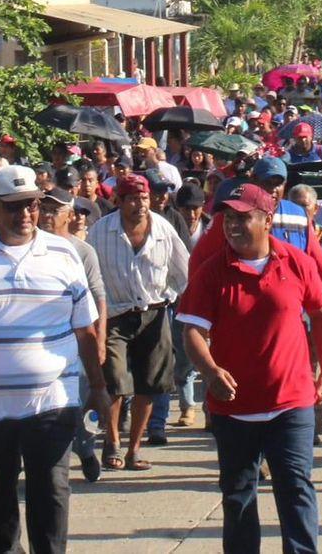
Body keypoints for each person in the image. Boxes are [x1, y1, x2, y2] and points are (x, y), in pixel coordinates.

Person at [0, 165, 108, 554]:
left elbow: (85, 330)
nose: (25, 214)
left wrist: (98, 388)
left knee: (51, 493)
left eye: (31, 204)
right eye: (13, 206)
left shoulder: (65, 253)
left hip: (52, 402)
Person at [177, 182, 322, 554]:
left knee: (296, 490)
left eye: (242, 217)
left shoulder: (296, 262)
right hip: (234, 410)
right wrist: (211, 371)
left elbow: (320, 313)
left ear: (267, 218)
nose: (232, 225)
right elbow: (192, 333)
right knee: (238, 497)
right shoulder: (213, 271)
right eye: (228, 217)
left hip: (290, 403)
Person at [86, 171, 189, 470]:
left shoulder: (163, 230)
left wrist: (194, 318)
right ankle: (113, 441)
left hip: (155, 312)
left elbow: (184, 276)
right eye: (132, 199)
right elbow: (92, 280)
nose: (140, 204)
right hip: (115, 315)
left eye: (144, 198)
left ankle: (134, 448)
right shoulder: (100, 232)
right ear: (119, 201)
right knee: (116, 382)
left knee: (151, 385)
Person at [36, 184, 111, 481]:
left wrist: (100, 338)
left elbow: (99, 296)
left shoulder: (83, 251)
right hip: (43, 342)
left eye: (55, 210)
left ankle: (86, 449)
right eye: (45, 208)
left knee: (77, 401)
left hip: (79, 339)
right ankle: (58, 463)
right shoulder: (32, 246)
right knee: (52, 405)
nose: (48, 215)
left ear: (69, 214)